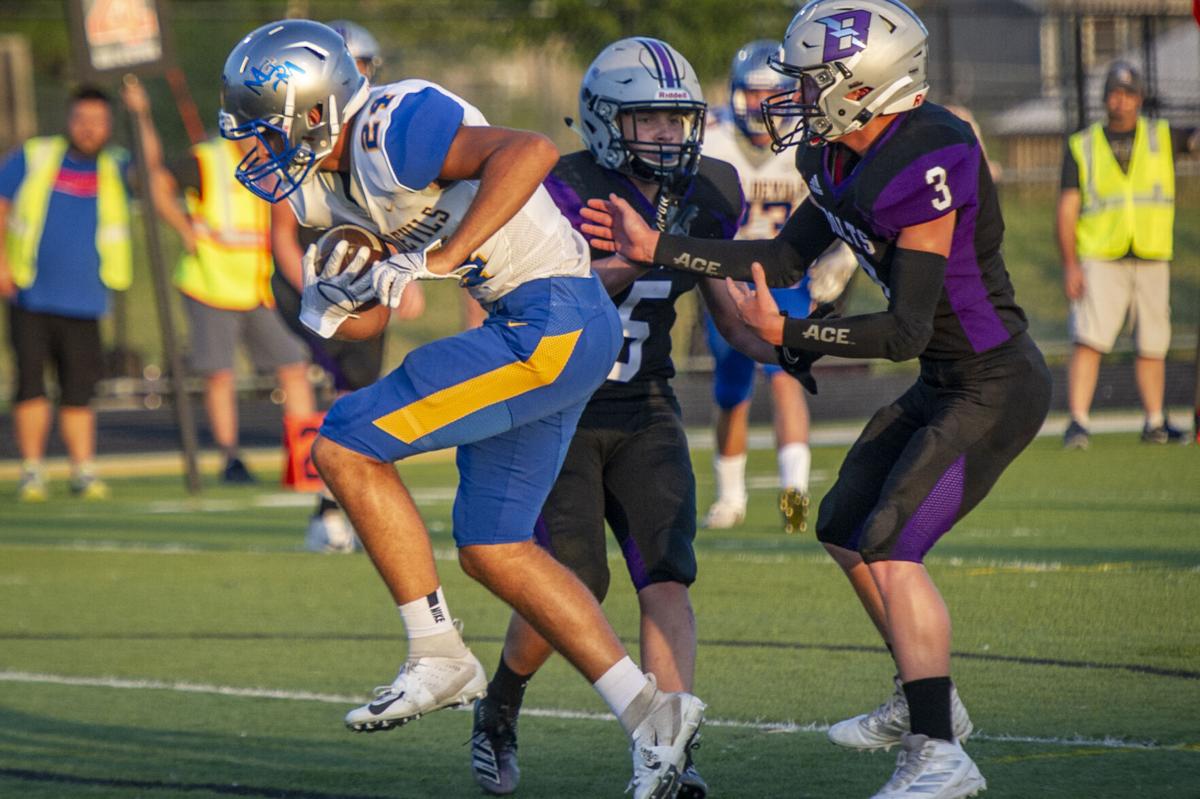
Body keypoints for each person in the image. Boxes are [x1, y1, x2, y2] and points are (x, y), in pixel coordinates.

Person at [218, 20, 704, 797]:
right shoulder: (336, 181)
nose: (256, 148)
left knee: (342, 444)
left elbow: (531, 152)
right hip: (544, 325)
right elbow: (378, 316)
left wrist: (437, 258)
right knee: (493, 545)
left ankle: (437, 653)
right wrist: (345, 294)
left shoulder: (392, 128)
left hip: (552, 317)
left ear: (314, 108)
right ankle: (650, 716)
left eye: (262, 125)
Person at [581, 2, 1052, 797]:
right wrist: (656, 246)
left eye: (811, 80)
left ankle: (940, 752)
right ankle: (922, 693)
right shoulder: (835, 154)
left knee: (893, 543)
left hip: (993, 382)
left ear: (864, 85)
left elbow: (904, 329)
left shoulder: (929, 153)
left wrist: (796, 338)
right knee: (840, 525)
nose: (791, 94)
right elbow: (783, 257)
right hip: (946, 380)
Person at [468, 37, 787, 798]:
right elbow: (548, 304)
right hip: (556, 407)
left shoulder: (710, 188)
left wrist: (789, 341)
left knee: (667, 576)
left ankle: (666, 749)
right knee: (573, 578)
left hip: (646, 401)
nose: (670, 138)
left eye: (678, 121)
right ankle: (500, 705)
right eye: (649, 120)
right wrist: (644, 256)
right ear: (607, 120)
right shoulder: (557, 185)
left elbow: (728, 312)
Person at [267, 18, 425, 551]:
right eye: (349, 69)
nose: (359, 81)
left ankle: (340, 505)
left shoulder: (378, 137)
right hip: (318, 282)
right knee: (338, 396)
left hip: (361, 278)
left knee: (358, 395)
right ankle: (330, 510)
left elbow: (395, 217)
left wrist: (409, 273)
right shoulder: (303, 140)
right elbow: (283, 232)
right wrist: (317, 294)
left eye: (363, 69)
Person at [699, 39, 857, 533]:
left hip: (787, 276)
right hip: (726, 274)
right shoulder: (714, 140)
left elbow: (844, 202)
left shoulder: (810, 142)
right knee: (730, 391)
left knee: (788, 376)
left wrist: (844, 255)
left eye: (774, 94)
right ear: (734, 93)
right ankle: (730, 497)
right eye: (751, 94)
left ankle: (795, 499)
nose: (761, 106)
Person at [133, 98, 317, 485]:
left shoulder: (274, 162)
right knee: (220, 374)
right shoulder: (207, 159)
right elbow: (154, 182)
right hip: (210, 284)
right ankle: (231, 457)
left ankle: (303, 455)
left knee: (293, 366)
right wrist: (184, 229)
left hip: (258, 287)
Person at [0, 85, 144, 502]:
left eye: (98, 121)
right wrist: (4, 264)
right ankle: (31, 471)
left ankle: (83, 469)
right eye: (81, 119)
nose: (88, 129)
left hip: (86, 300)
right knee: (30, 385)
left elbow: (152, 175)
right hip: (31, 293)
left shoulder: (116, 165)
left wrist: (143, 116)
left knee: (79, 390)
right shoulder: (37, 155)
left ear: (109, 125)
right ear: (68, 120)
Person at [1057, 60, 1199, 450]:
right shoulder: (1083, 144)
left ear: (1139, 98)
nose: (1121, 101)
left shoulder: (1161, 137)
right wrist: (1070, 263)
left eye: (1129, 93)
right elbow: (1067, 208)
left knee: (1153, 342)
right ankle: (1079, 422)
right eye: (1115, 93)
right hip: (1100, 255)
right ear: (1105, 98)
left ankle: (1155, 421)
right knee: (1089, 338)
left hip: (1152, 253)